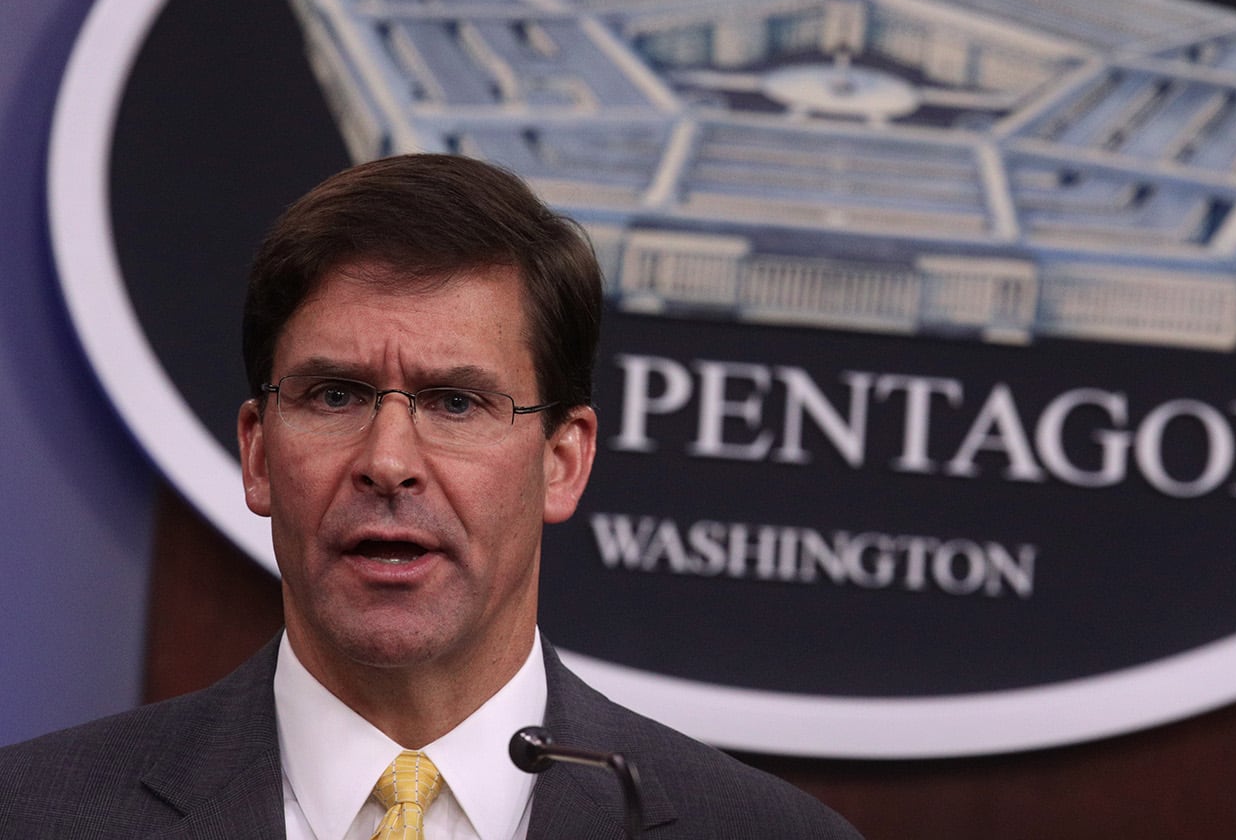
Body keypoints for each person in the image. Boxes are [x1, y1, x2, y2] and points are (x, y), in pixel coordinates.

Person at [0, 153, 863, 839]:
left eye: (456, 402)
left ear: (562, 461)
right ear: (258, 455)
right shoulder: (34, 816)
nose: (388, 461)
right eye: (334, 395)